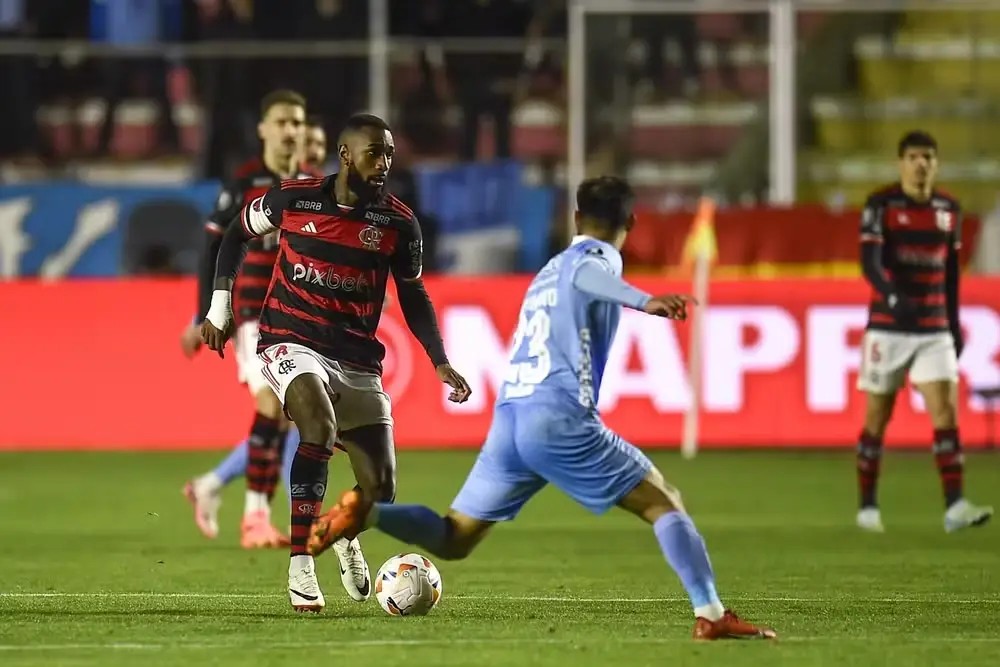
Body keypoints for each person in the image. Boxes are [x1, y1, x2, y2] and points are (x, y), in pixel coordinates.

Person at [305, 176, 777, 640]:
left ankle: (367, 514)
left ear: (575, 217)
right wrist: (644, 299)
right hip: (559, 417)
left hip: (512, 419)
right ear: (630, 220)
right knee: (665, 503)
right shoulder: (595, 257)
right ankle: (711, 614)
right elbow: (589, 273)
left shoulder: (547, 270)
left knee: (454, 538)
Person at [200, 113, 472, 612]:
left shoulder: (398, 223)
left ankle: (346, 533)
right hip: (288, 339)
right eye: (375, 152)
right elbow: (232, 237)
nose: (385, 162)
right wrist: (218, 308)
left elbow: (413, 294)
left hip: (355, 357)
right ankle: (302, 560)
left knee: (381, 486)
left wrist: (440, 360)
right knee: (318, 428)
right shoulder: (292, 199)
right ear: (346, 155)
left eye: (390, 153)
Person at [181, 114, 331, 531]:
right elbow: (222, 247)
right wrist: (204, 315)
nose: (315, 152)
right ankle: (263, 514)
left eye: (321, 146)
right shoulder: (265, 191)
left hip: (299, 315)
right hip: (256, 314)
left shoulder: (318, 193)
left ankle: (216, 486)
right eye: (309, 143)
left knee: (290, 418)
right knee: (281, 412)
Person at [856, 131, 993, 534]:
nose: (921, 164)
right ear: (901, 163)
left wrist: (954, 321)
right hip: (888, 329)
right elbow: (869, 263)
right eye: (914, 156)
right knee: (878, 418)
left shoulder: (949, 209)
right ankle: (867, 506)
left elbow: (951, 274)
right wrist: (893, 296)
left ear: (936, 163)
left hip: (934, 330)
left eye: (928, 157)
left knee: (946, 414)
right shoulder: (882, 205)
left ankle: (954, 506)